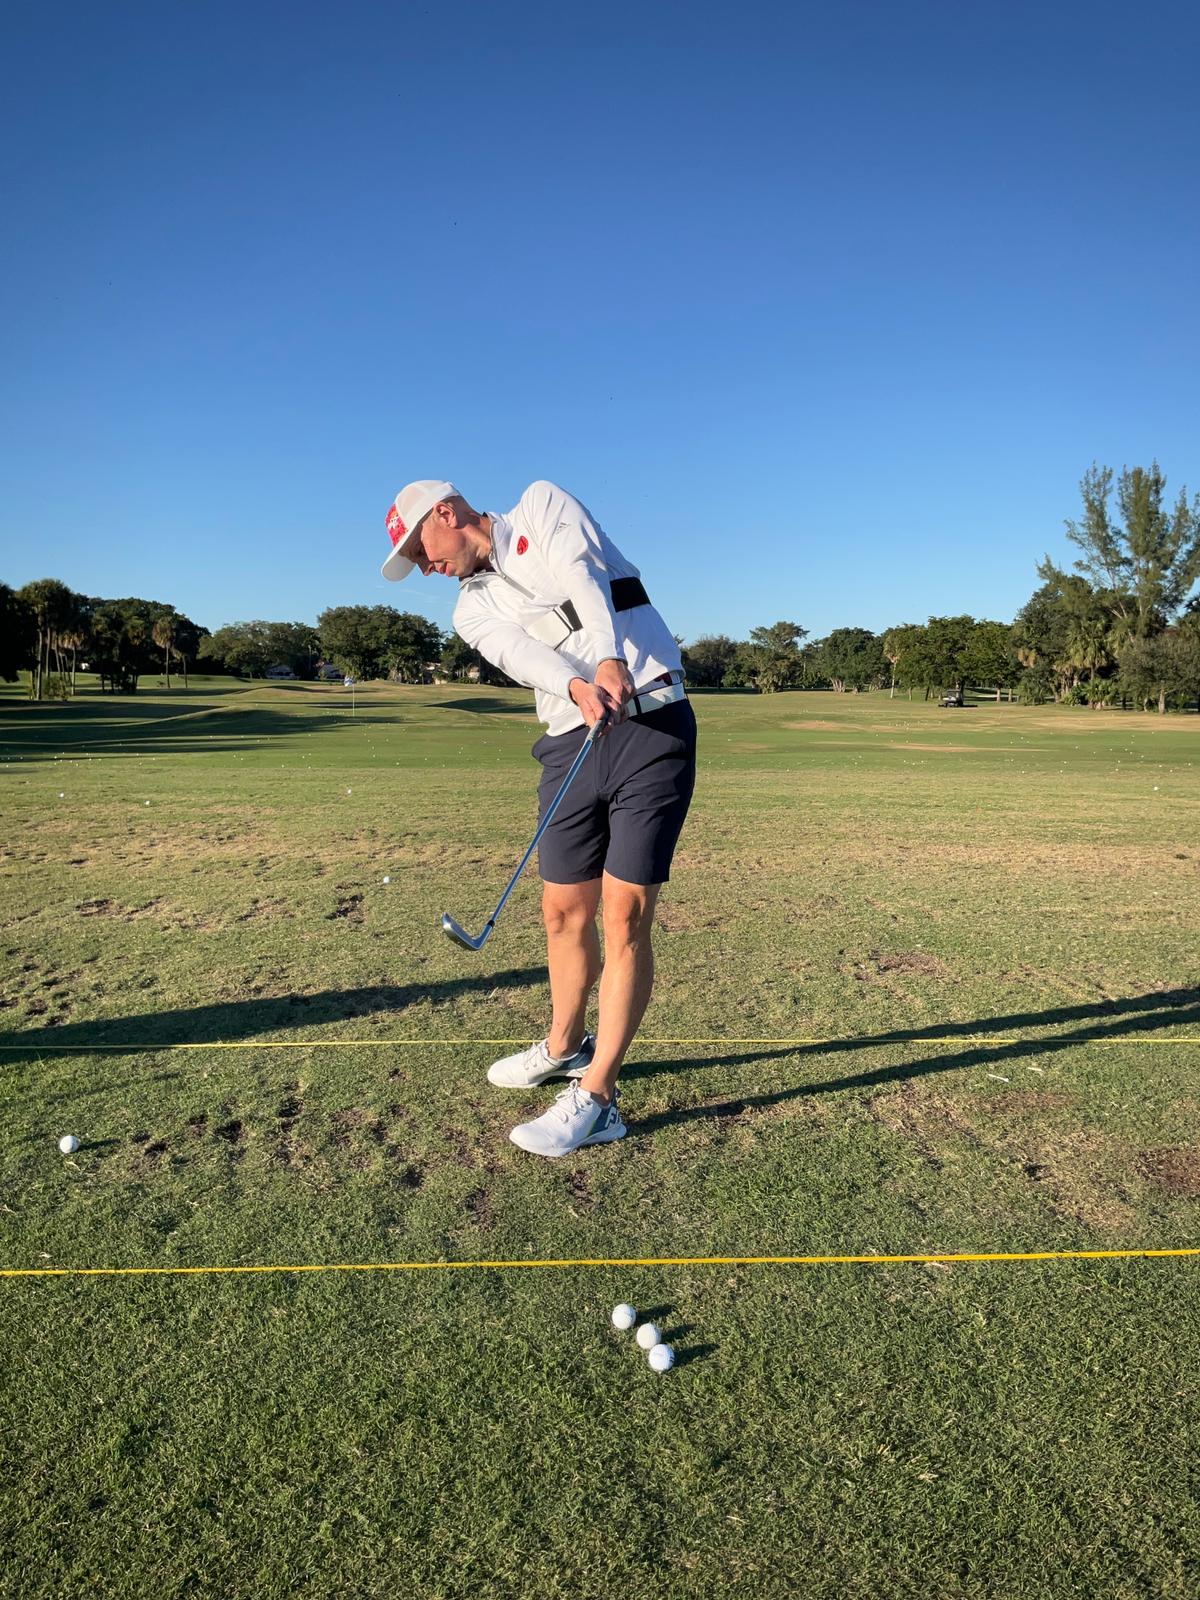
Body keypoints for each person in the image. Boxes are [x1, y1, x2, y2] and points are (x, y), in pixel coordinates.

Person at [381, 478, 697, 1158]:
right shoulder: (470, 609)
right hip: (569, 740)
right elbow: (523, 655)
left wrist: (609, 659)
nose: (424, 567)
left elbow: (585, 578)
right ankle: (564, 1046)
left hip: (651, 726)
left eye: (420, 550)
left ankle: (599, 1097)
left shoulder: (541, 505)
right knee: (561, 911)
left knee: (625, 915)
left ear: (446, 512)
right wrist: (579, 685)